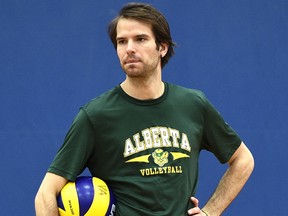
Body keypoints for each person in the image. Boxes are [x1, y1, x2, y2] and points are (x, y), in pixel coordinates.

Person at [35, 2, 254, 216]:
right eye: (122, 41)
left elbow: (243, 160)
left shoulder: (193, 104)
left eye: (140, 39)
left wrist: (210, 212)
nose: (129, 48)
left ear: (162, 47)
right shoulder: (96, 115)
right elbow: (46, 193)